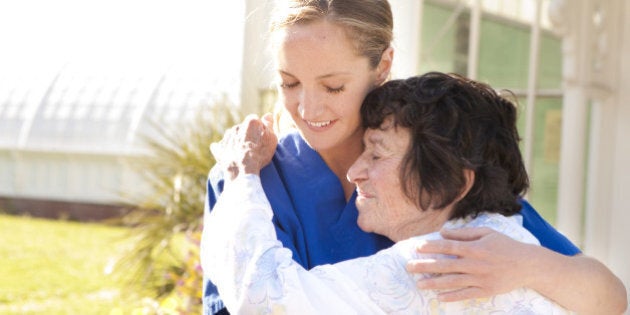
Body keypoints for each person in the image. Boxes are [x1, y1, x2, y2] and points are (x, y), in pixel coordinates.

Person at [200, 0, 627, 314]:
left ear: (383, 65)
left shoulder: (435, 159)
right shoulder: (245, 180)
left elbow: (608, 298)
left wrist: (530, 265)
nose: (308, 110)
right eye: (289, 83)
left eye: (332, 87)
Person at [202, 72, 571, 313]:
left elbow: (265, 296)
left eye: (376, 153)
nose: (355, 170)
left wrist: (241, 175)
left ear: (454, 183)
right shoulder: (510, 236)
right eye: (289, 81)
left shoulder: (448, 261)